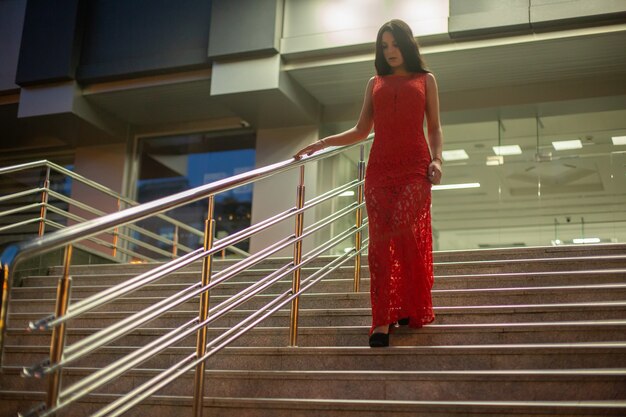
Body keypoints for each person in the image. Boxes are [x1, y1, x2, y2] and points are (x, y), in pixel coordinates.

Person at [294, 19, 443, 348]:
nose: (390, 51)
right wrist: (323, 143)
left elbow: (433, 127)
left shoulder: (425, 80)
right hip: (379, 172)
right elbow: (361, 130)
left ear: (407, 45)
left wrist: (437, 159)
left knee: (406, 234)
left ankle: (407, 304)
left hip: (415, 168)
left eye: (395, 44)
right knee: (378, 246)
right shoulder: (374, 83)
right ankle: (382, 319)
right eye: (384, 46)